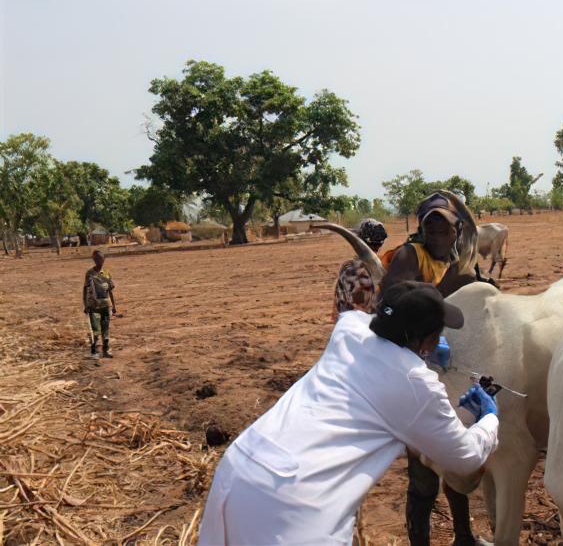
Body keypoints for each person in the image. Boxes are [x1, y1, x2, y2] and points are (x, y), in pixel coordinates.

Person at [198, 281, 500, 545]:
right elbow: (466, 458)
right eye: (436, 334)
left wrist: (416, 349)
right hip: (293, 501)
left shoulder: (349, 329)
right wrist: (489, 418)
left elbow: (360, 319)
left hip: (240, 467)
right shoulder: (415, 384)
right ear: (426, 340)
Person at [378, 192, 483, 546]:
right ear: (421, 229)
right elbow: (394, 299)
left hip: (453, 368)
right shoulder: (410, 255)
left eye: (445, 226)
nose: (437, 232)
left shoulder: (463, 259)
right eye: (430, 225)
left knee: (452, 457)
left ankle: (464, 537)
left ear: (457, 231)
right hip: (415, 373)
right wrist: (450, 284)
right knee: (423, 470)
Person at [332, 218, 388, 321]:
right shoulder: (382, 269)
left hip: (346, 323)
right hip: (366, 326)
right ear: (380, 244)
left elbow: (338, 304)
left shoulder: (347, 267)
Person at [83, 249, 117, 359]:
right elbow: (85, 289)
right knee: (95, 330)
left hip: (106, 305)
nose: (99, 260)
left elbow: (110, 290)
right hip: (94, 307)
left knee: (105, 329)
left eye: (100, 258)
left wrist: (114, 306)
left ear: (104, 259)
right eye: (96, 258)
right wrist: (86, 305)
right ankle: (94, 352)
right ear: (93, 259)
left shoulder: (106, 273)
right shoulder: (89, 274)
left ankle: (105, 350)